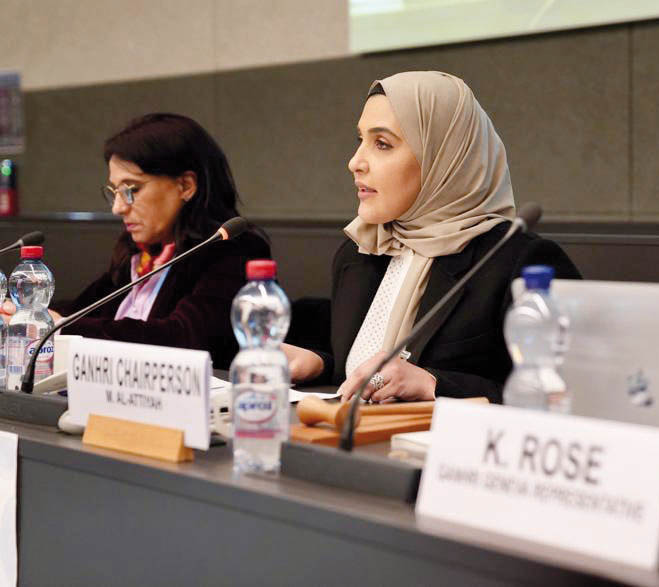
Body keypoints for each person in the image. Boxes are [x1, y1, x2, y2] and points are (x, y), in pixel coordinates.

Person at [284, 71, 580, 403]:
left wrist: (434, 385)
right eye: (360, 141)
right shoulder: (361, 251)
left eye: (382, 144)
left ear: (444, 155)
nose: (355, 162)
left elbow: (566, 398)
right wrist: (320, 364)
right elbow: (364, 372)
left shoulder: (517, 262)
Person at [45, 113, 270, 369]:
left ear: (185, 186)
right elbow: (79, 311)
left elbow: (184, 339)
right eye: (115, 192)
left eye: (131, 190)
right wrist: (25, 314)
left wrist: (59, 327)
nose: (118, 208)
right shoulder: (141, 253)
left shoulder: (234, 250)